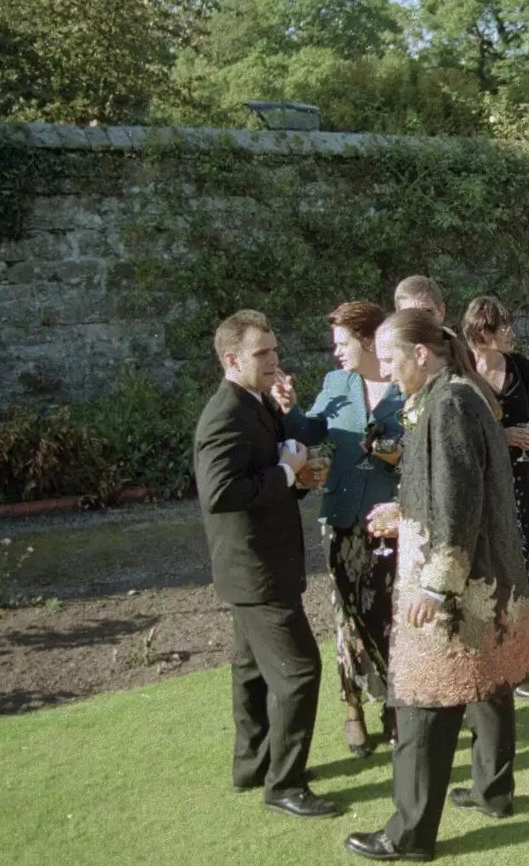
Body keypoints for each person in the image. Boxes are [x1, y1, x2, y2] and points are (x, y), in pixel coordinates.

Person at [344, 310, 529, 864]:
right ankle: (492, 792)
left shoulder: (449, 403)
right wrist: (405, 512)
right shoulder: (462, 392)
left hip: (457, 583)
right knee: (489, 682)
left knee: (423, 700)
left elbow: (457, 507)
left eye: (389, 360)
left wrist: (435, 589)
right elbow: (456, 490)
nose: (383, 371)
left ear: (422, 354)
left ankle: (409, 835)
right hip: (487, 577)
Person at [194, 310, 337, 819]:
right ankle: (285, 784)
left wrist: (297, 475)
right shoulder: (224, 416)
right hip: (255, 569)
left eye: (275, 350)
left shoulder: (255, 403)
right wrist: (284, 470)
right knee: (299, 672)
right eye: (263, 354)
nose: (275, 361)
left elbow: (268, 467)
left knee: (251, 669)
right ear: (232, 360)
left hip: (262, 563)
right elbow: (219, 493)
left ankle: (252, 764)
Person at [271, 301, 405, 758]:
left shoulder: (403, 384)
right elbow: (309, 431)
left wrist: (390, 450)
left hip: (389, 518)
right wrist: (289, 409)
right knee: (346, 617)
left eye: (342, 343)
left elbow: (414, 448)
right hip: (343, 517)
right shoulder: (336, 383)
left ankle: (394, 704)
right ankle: (352, 710)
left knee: (390, 616)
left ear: (368, 340)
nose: (336, 352)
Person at [464, 296, 529, 701]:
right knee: (497, 567)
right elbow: (464, 432)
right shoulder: (463, 373)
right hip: (487, 487)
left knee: (527, 561)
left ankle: (523, 652)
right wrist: (500, 438)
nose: (511, 333)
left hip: (523, 480)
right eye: (502, 327)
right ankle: (501, 660)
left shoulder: (520, 366)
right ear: (482, 333)